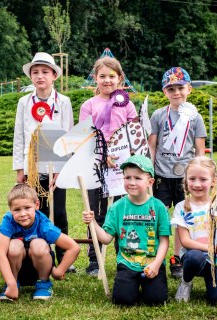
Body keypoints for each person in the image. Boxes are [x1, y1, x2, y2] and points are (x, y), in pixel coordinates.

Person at [83, 155, 170, 306]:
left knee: (156, 301)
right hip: (127, 263)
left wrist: (156, 265)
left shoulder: (159, 207)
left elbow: (164, 242)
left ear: (150, 182)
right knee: (122, 300)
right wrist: (93, 223)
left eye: (137, 178)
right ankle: (130, 285)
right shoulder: (117, 207)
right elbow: (106, 239)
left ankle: (149, 284)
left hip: (152, 264)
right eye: (127, 177)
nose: (131, 182)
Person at [13, 52, 74, 269]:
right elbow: (19, 135)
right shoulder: (23, 102)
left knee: (58, 212)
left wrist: (62, 169)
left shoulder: (64, 102)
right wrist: (20, 168)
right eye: (35, 72)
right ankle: (39, 252)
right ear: (31, 76)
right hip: (32, 167)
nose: (40, 76)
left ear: (54, 76)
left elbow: (68, 137)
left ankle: (64, 254)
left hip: (57, 166)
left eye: (45, 72)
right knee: (36, 211)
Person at [79, 56, 137, 275]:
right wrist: (102, 156)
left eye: (112, 76)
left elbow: (134, 135)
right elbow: (85, 136)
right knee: (96, 213)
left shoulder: (128, 104)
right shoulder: (88, 105)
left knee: (123, 212)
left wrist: (125, 157)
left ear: (120, 79)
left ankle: (123, 257)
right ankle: (95, 260)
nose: (107, 80)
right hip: (95, 168)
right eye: (102, 76)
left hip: (122, 170)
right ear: (95, 78)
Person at [148, 67, 207, 278]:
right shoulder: (158, 115)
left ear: (189, 89)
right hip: (162, 176)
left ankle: (177, 258)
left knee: (184, 219)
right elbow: (152, 147)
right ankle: (155, 258)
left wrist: (202, 177)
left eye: (180, 88)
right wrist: (150, 173)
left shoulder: (195, 117)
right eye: (170, 88)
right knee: (159, 217)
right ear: (164, 92)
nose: (176, 93)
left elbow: (200, 151)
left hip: (187, 179)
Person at [172, 156, 217, 304]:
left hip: (214, 260)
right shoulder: (181, 207)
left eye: (203, 179)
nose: (197, 184)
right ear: (186, 180)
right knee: (194, 257)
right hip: (192, 257)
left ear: (213, 181)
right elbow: (185, 241)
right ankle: (186, 281)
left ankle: (210, 279)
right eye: (192, 179)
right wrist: (213, 248)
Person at [0, 183, 80, 301]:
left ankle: (44, 284)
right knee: (14, 245)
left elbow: (74, 247)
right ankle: (13, 284)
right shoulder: (8, 221)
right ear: (10, 210)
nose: (23, 214)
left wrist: (59, 271)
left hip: (40, 267)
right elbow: (0, 253)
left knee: (38, 244)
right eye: (17, 210)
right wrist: (10, 282)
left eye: (27, 208)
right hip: (16, 269)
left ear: (37, 205)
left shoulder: (44, 225)